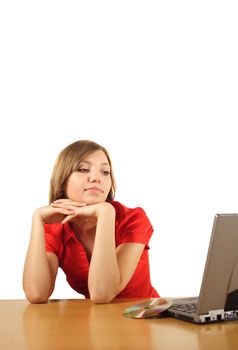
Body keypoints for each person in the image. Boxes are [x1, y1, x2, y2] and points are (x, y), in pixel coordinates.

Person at [23, 140, 159, 303]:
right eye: (83, 169)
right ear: (62, 180)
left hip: (144, 316)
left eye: (105, 172)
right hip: (96, 321)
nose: (96, 178)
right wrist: (37, 219)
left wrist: (105, 213)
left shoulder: (133, 219)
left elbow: (102, 293)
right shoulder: (56, 229)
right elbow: (37, 293)